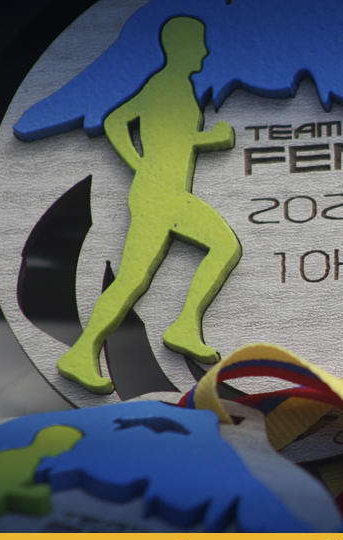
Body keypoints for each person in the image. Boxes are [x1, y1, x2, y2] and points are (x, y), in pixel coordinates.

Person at [57, 17, 240, 394]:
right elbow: (115, 121)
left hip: (163, 192)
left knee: (135, 278)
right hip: (160, 195)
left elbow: (175, 140)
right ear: (182, 47)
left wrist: (209, 139)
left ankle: (89, 350)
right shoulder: (166, 84)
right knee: (217, 249)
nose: (205, 51)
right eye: (199, 44)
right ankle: (177, 328)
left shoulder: (177, 86)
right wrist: (138, 163)